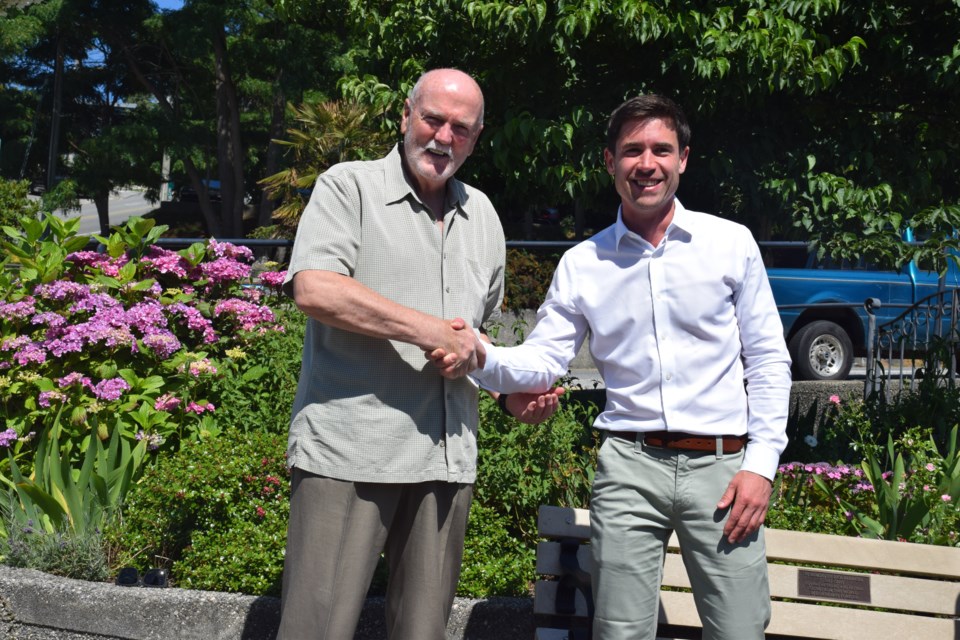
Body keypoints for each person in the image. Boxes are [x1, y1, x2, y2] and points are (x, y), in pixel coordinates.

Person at [431, 94, 792, 639]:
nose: (646, 163)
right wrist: (480, 354)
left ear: (683, 159)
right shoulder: (583, 264)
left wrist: (761, 465)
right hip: (629, 467)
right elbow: (543, 360)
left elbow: (768, 359)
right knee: (619, 632)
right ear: (610, 162)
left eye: (660, 150)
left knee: (740, 630)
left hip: (724, 468)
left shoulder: (730, 244)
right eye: (631, 151)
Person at [275, 68, 562, 640]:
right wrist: (427, 330)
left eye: (462, 128)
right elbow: (315, 288)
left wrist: (510, 398)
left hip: (447, 461)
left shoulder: (483, 216)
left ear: (477, 138)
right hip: (351, 452)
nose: (443, 136)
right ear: (405, 117)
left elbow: (470, 342)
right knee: (316, 629)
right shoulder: (347, 187)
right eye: (433, 119)